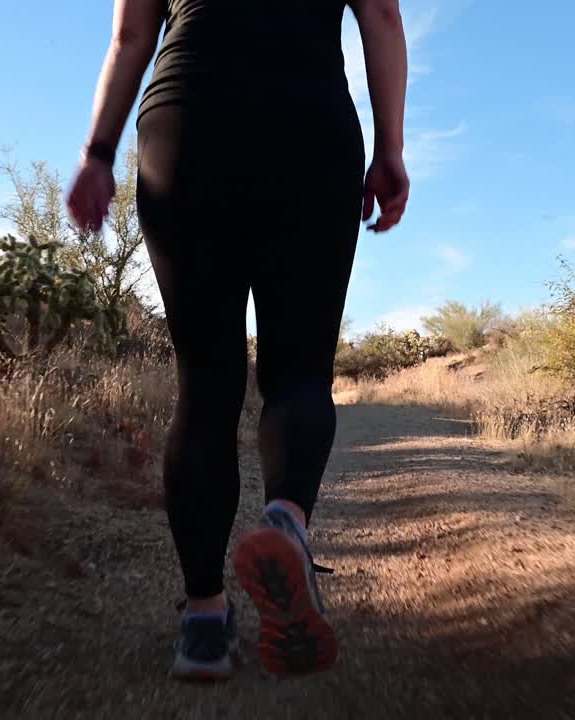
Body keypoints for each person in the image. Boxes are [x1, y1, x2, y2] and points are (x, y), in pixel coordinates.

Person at [66, 0, 410, 682]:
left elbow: (132, 35)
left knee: (206, 382)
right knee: (300, 371)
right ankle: (286, 521)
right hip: (310, 126)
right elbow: (382, 16)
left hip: (188, 122)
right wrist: (390, 149)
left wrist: (98, 153)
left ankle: (202, 623)